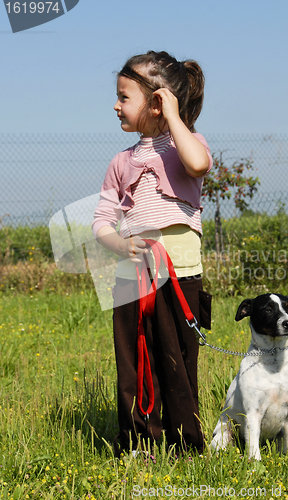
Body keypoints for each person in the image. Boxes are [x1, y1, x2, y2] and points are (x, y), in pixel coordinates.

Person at [92, 50, 213, 456]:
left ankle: (185, 446)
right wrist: (119, 244)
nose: (115, 105)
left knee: (177, 363)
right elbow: (101, 222)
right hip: (132, 279)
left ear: (157, 102)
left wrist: (174, 117)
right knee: (133, 364)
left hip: (180, 277)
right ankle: (138, 444)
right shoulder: (120, 161)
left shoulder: (187, 143)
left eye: (124, 97)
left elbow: (198, 165)